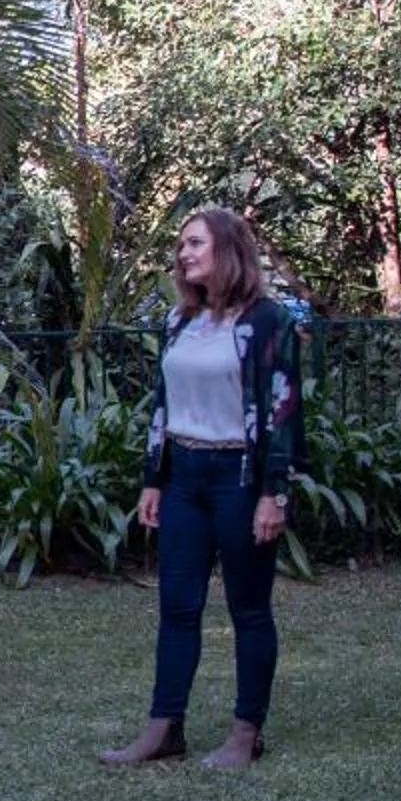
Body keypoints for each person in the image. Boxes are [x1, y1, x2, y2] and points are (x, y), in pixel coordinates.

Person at [101, 206, 306, 769]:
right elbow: (164, 406)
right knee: (177, 606)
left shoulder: (268, 321)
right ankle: (164, 728)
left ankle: (246, 734)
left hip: (240, 480)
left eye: (194, 244)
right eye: (181, 247)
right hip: (184, 478)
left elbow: (284, 411)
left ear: (227, 249)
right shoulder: (179, 321)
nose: (183, 254)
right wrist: (154, 479)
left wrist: (274, 493)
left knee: (249, 609)